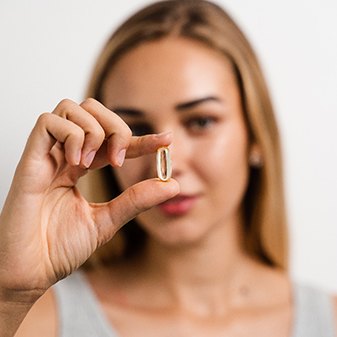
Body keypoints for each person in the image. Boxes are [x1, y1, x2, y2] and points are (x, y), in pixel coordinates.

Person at [0, 1, 336, 336]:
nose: (168, 167)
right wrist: (9, 297)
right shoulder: (32, 319)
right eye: (133, 128)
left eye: (201, 121)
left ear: (255, 137)